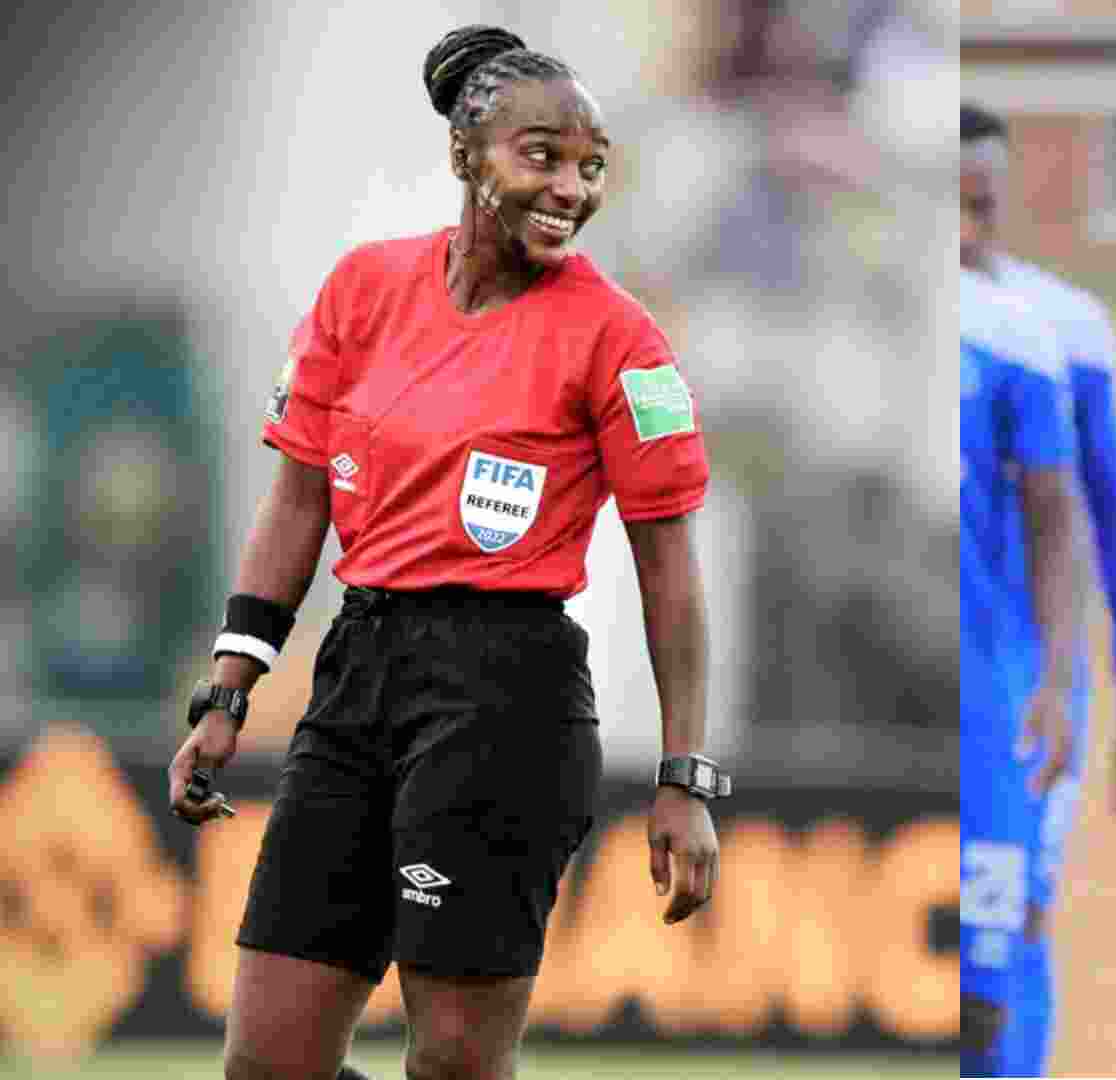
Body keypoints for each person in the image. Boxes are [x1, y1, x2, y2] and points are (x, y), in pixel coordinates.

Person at [165, 26, 724, 1080]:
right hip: (355, 680)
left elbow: (670, 572)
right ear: (467, 156)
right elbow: (297, 500)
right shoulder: (362, 289)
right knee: (266, 1066)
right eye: (542, 156)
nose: (571, 188)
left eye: (592, 166)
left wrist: (685, 777)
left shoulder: (622, 339)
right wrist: (229, 687)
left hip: (505, 697)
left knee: (455, 1065)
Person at [961, 100, 1116, 1077]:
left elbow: (1104, 517)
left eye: (983, 200)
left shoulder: (1056, 328)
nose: (968, 222)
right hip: (964, 669)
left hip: (1031, 673)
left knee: (1016, 922)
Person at [959, 265, 1080, 1078]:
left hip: (993, 706)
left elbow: (1065, 519)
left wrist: (1058, 685)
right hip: (912, 697)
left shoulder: (1015, 339)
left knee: (984, 995)